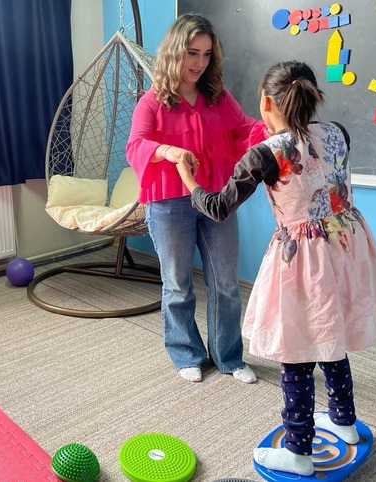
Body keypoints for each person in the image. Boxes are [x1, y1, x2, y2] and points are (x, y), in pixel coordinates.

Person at [176, 60, 376, 476]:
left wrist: (188, 179)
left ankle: (297, 448)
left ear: (265, 101)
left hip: (304, 258)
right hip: (346, 245)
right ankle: (345, 421)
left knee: (296, 346)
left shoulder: (264, 154)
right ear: (313, 97)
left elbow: (218, 207)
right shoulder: (337, 132)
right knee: (330, 334)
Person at [125, 13, 258, 384]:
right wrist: (169, 152)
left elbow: (245, 130)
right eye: (191, 53)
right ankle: (186, 353)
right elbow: (136, 145)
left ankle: (229, 357)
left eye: (206, 55)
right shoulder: (151, 102)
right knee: (178, 284)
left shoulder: (219, 98)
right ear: (173, 53)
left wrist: (279, 127)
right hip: (169, 203)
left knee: (226, 283)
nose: (199, 63)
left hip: (216, 200)